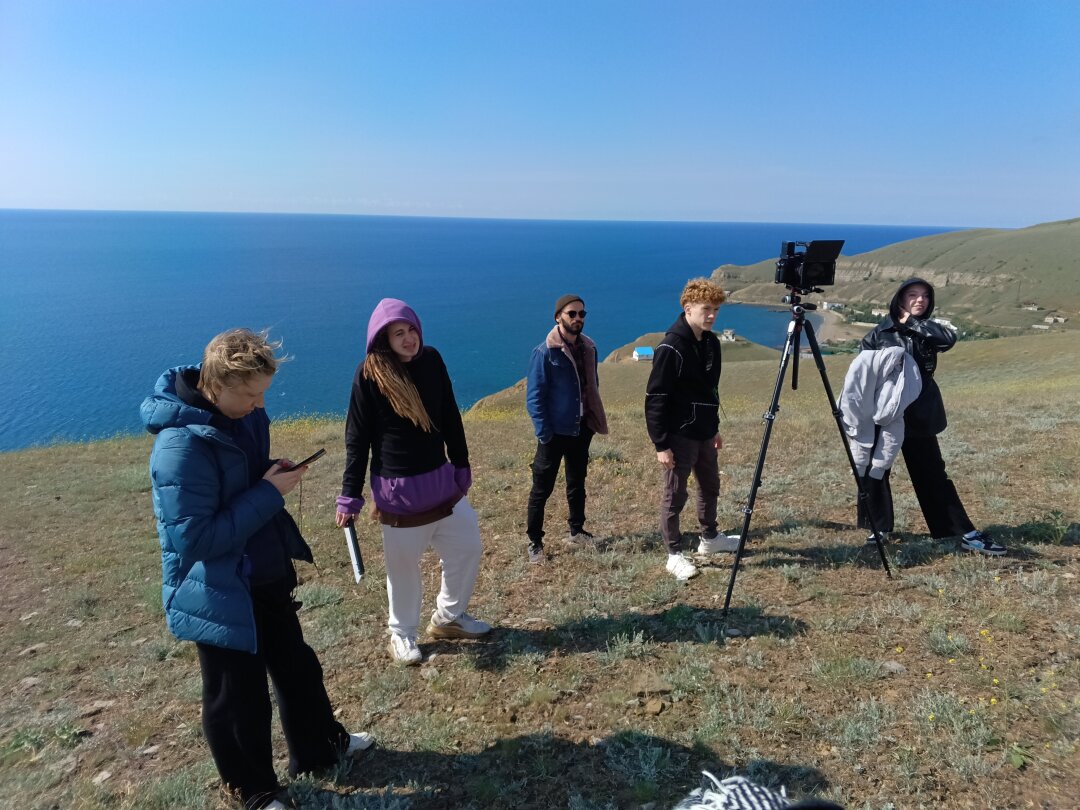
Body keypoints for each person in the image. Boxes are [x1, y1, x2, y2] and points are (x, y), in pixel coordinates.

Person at [141, 329, 372, 810]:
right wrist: (270, 493)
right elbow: (194, 539)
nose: (258, 403)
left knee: (297, 667)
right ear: (215, 383)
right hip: (217, 588)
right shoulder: (179, 448)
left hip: (263, 569)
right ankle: (255, 792)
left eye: (263, 392)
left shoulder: (242, 414)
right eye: (249, 393)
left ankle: (320, 749)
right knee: (236, 696)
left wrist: (272, 472)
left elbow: (239, 478)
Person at [336, 299, 491, 666]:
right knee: (403, 571)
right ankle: (401, 634)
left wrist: (462, 462)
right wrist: (349, 496)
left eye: (411, 330)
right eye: (398, 333)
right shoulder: (369, 374)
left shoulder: (432, 360)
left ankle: (449, 618)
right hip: (399, 494)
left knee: (467, 546)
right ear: (382, 340)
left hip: (441, 484)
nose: (408, 339)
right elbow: (357, 439)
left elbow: (451, 414)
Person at [856, 278, 1006, 555]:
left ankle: (963, 533)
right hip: (885, 414)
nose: (920, 300)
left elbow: (948, 339)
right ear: (900, 299)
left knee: (932, 474)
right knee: (874, 471)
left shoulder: (927, 330)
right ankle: (878, 529)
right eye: (912, 295)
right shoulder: (878, 334)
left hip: (920, 414)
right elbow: (864, 374)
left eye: (925, 296)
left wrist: (911, 323)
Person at [645, 278, 738, 581]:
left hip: (704, 433)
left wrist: (714, 428)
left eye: (716, 309)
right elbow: (656, 399)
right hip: (679, 435)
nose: (712, 315)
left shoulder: (711, 342)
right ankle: (673, 554)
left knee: (710, 487)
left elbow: (711, 391)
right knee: (675, 494)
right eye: (706, 309)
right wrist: (661, 444)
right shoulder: (670, 347)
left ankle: (709, 539)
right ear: (687, 309)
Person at [524, 294, 609, 564]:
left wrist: (592, 421)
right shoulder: (544, 352)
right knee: (541, 488)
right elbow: (534, 397)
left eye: (582, 314)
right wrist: (544, 432)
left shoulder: (589, 348)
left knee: (577, 482)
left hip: (581, 428)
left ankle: (577, 529)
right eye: (572, 314)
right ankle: (535, 542)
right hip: (554, 433)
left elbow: (591, 385)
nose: (577, 319)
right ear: (558, 317)